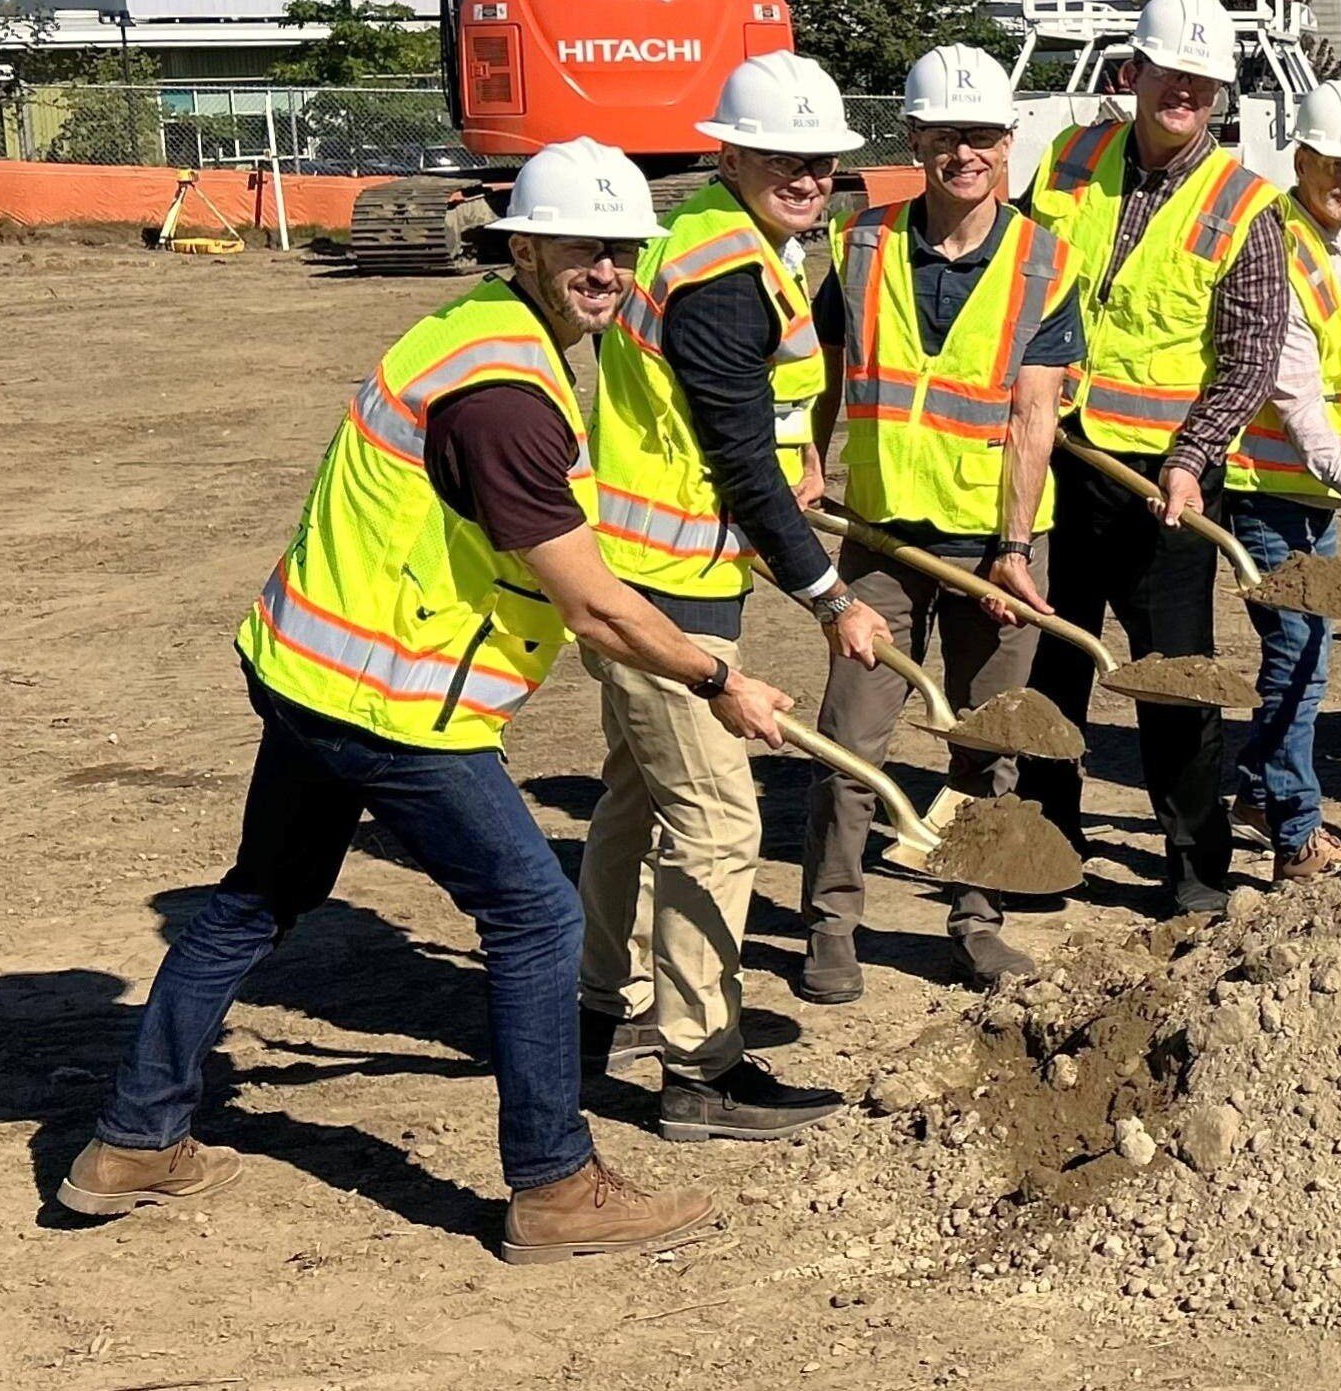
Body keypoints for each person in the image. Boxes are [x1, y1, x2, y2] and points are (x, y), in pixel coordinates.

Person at [63, 143, 798, 1262]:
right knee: (536, 917)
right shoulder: (504, 395)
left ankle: (132, 1139)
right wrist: (719, 678)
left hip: (310, 672)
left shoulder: (480, 334)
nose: (604, 266)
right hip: (391, 702)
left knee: (263, 895)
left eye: (620, 248)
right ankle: (554, 1184)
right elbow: (596, 607)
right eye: (582, 244)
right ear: (527, 244)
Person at [580, 52, 871, 1140]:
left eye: (822, 160)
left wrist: (797, 455)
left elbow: (758, 429)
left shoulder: (734, 236)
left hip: (666, 565)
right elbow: (741, 464)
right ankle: (700, 1069)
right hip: (659, 583)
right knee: (718, 815)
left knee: (637, 793)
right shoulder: (723, 274)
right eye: (785, 156)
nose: (807, 174)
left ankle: (595, 1002)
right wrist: (832, 596)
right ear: (730, 149)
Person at [800, 46, 1082, 996]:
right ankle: (830, 923)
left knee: (987, 741)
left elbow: (1032, 412)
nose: (966, 153)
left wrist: (1013, 546)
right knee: (851, 735)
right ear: (914, 138)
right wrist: (806, 456)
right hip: (879, 535)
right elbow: (822, 370)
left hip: (993, 544)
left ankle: (975, 917)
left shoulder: (1046, 259)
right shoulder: (861, 241)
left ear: (1009, 142)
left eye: (984, 136)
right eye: (946, 135)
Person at [1024, 0, 1289, 918]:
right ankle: (1045, 849)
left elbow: (1250, 354)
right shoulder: (1070, 158)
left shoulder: (1244, 204)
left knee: (1176, 675)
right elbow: (1022, 280)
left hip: (1162, 482)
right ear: (1132, 74)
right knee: (1054, 661)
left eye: (1204, 84)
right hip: (1059, 458)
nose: (1187, 95)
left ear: (1219, 94)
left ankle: (1195, 873)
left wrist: (1192, 456)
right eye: (1172, 76)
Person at [1221, 79, 1341, 878]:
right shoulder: (1280, 246)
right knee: (1298, 657)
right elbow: (1295, 397)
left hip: (1315, 491)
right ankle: (1294, 831)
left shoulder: (1338, 242)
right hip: (1273, 485)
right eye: (1339, 164)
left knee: (1308, 654)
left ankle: (1258, 790)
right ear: (1300, 156)